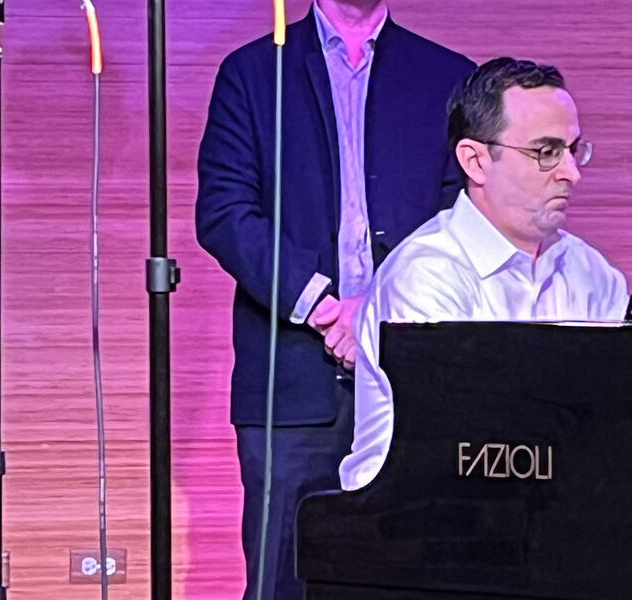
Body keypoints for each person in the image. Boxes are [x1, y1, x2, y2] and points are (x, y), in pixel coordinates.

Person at [195, 0, 474, 597]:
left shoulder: (449, 76)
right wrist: (326, 307)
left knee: (416, 571)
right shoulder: (251, 72)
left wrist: (375, 309)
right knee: (284, 576)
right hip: (293, 378)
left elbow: (464, 218)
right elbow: (225, 214)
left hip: (415, 373)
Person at [339, 57, 630, 492]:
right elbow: (471, 450)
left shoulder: (595, 276)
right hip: (414, 528)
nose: (571, 173)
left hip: (552, 515)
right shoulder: (426, 276)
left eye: (573, 150)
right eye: (546, 153)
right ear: (475, 161)